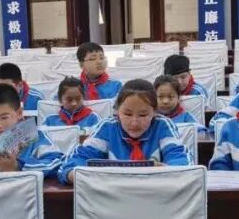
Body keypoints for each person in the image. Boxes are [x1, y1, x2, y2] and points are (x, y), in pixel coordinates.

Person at [59, 79, 190, 184]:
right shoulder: (108, 127)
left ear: (155, 112)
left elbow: (180, 158)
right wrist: (74, 174)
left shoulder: (162, 126)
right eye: (127, 114)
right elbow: (78, 159)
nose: (134, 123)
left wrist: (167, 171)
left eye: (143, 115)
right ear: (117, 111)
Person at [0, 83, 64, 178]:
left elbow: (56, 162)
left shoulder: (36, 135)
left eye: (4, 118)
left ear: (19, 113)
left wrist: (18, 166)